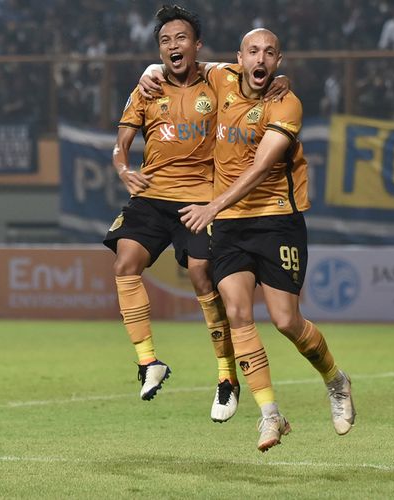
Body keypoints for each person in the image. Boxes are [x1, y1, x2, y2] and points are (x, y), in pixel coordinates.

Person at [141, 28, 355, 452]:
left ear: (279, 60)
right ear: (240, 57)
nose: (261, 59)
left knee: (285, 321)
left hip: (277, 221)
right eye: (253, 51)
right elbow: (181, 64)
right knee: (238, 313)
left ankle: (336, 380)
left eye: (270, 52)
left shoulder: (285, 102)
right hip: (232, 227)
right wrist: (149, 69)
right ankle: (270, 415)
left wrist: (213, 206)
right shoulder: (220, 78)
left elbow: (259, 167)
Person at [104, 5, 288, 422]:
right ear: (159, 48)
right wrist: (122, 170)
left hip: (201, 200)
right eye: (165, 41)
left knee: (204, 277)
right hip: (153, 195)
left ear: (196, 45)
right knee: (125, 263)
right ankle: (149, 362)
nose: (174, 46)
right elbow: (120, 143)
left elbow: (256, 76)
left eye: (181, 39)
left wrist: (281, 80)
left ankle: (226, 377)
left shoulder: (217, 77)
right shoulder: (147, 88)